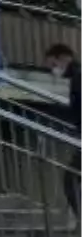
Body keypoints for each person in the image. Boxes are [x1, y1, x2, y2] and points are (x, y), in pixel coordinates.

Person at [45, 43, 82, 225]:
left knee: (71, 181)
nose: (53, 71)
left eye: (53, 65)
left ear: (63, 58)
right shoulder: (77, 76)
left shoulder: (78, 77)